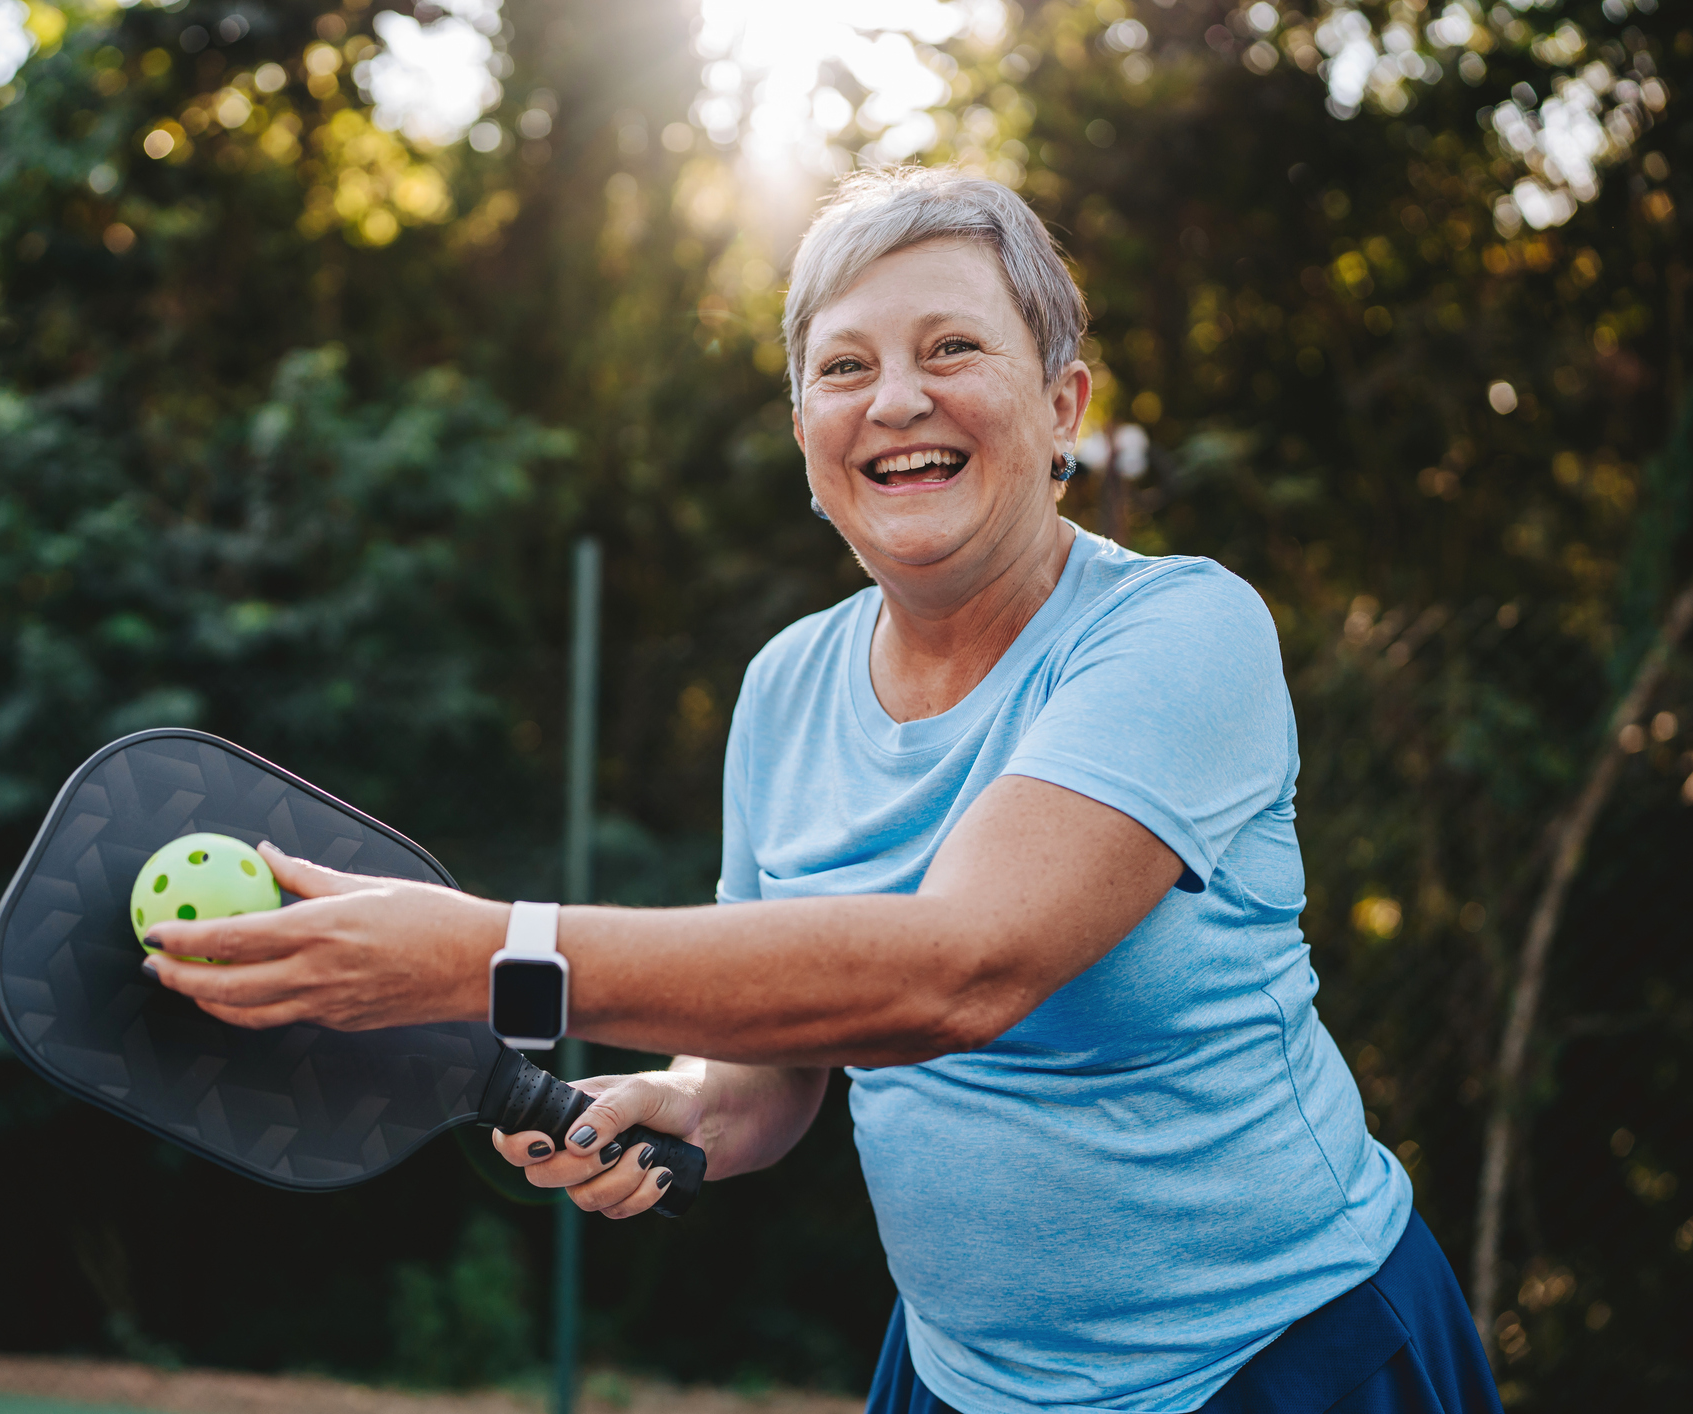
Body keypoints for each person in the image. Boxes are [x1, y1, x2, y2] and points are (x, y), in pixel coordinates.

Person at [140, 167, 1502, 1413]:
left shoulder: (1182, 636)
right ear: (805, 436)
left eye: (950, 347)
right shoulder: (786, 688)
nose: (895, 400)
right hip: (955, 1376)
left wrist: (487, 954)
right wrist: (692, 1105)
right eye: (842, 367)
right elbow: (779, 1053)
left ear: (1061, 406)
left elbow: (955, 971)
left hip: (1288, 1358)